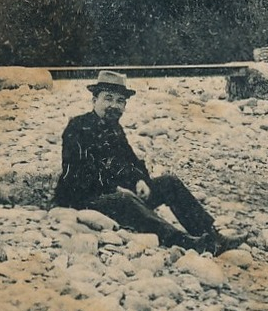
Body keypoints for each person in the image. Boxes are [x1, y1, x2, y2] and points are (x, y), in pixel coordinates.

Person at [52, 71, 230, 253]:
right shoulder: (78, 127)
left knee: (169, 182)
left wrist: (139, 180)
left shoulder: (115, 129)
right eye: (108, 98)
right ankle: (185, 242)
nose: (114, 105)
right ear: (94, 100)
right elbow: (79, 173)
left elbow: (133, 162)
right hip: (84, 199)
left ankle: (213, 237)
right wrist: (117, 187)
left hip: (118, 197)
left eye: (120, 101)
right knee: (125, 198)